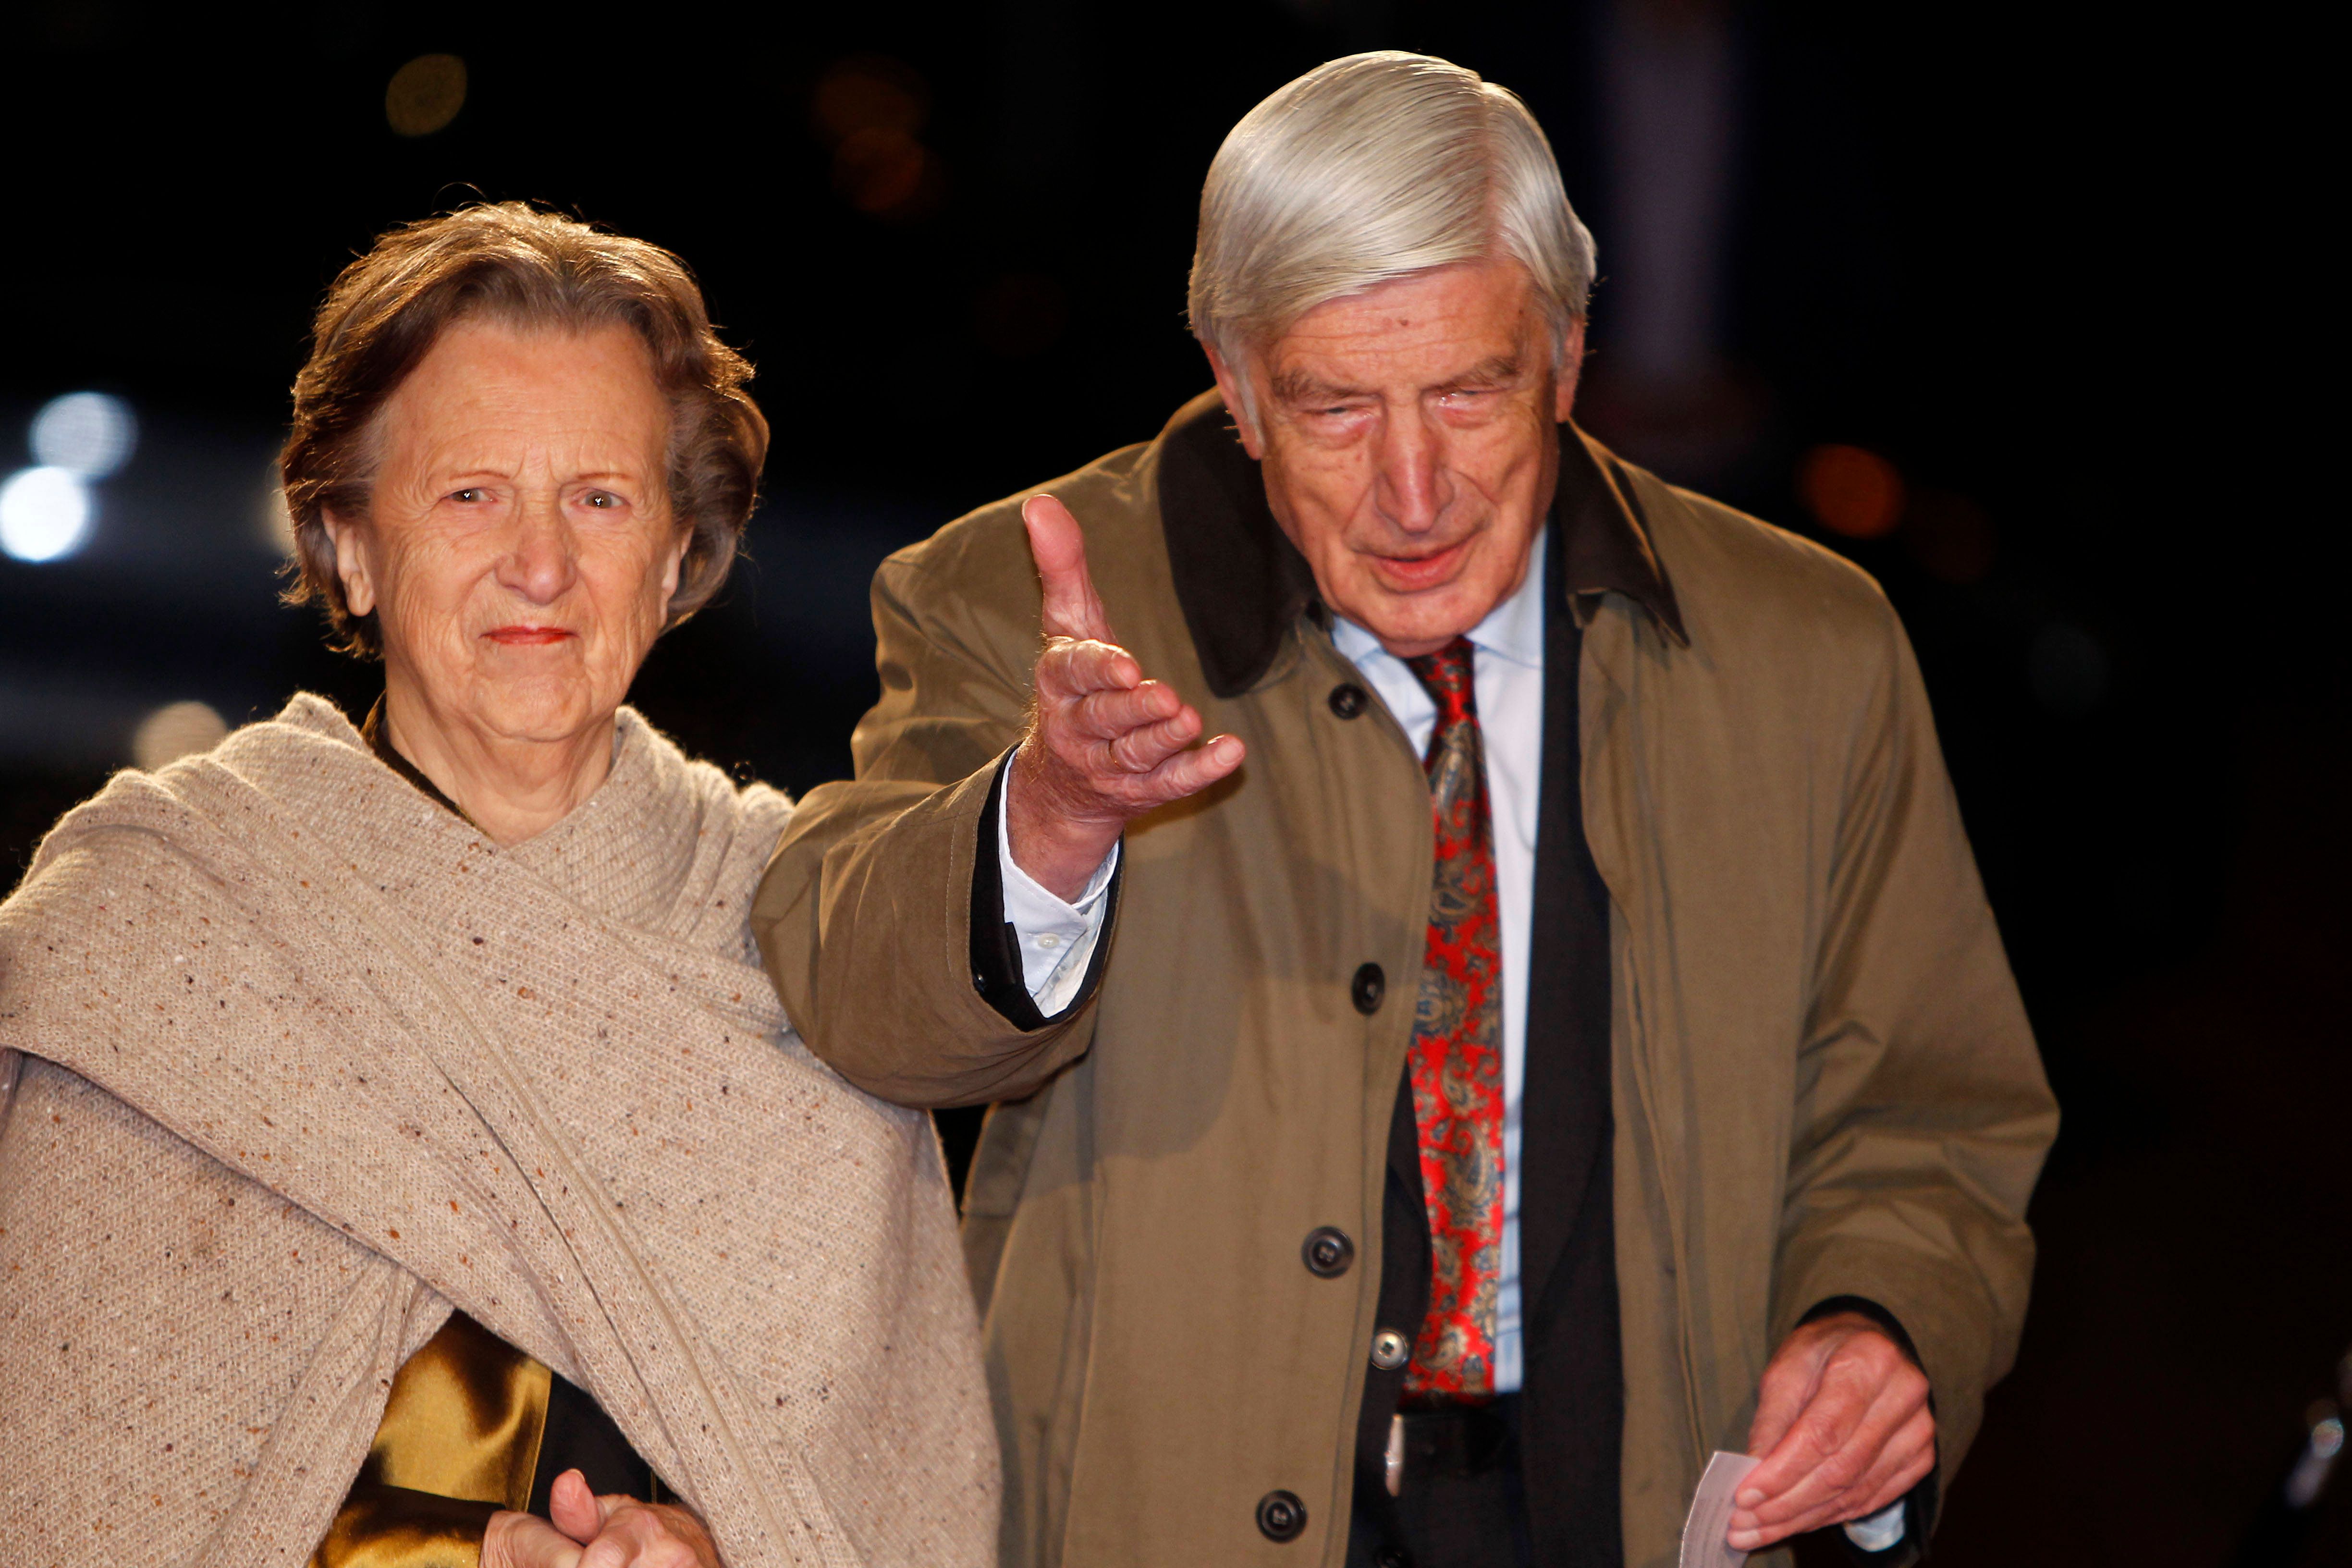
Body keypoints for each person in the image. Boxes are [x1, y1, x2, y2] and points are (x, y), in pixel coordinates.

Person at [753, 52, 2057, 1568]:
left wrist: (1881, 1323)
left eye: (1471, 389)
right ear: (1236, 388)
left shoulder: (1809, 653)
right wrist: (1045, 820)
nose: (1416, 490)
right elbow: (856, 1005)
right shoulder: (1024, 602)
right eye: (1335, 408)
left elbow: (1931, 1118)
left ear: (1569, 357)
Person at [0, 203, 996, 1568]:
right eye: (472, 495)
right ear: (348, 539)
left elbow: (886, 1511)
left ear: (675, 556)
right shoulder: (151, 932)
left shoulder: (812, 937)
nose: (542, 565)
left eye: (600, 499)